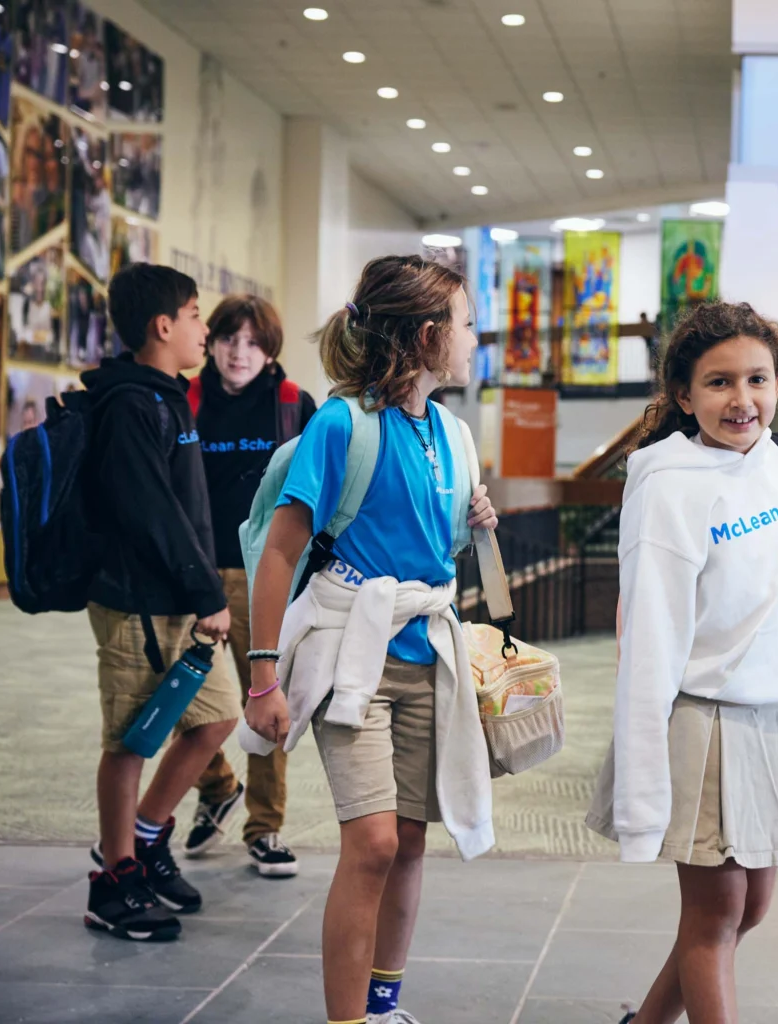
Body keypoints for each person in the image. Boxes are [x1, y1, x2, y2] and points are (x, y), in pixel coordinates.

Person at [586, 301, 778, 1024]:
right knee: (715, 916)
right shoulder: (665, 484)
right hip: (704, 720)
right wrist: (642, 768)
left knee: (749, 910)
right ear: (683, 396)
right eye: (718, 383)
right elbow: (649, 636)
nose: (741, 400)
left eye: (756, 379)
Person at [242, 255, 498, 1024]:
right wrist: (261, 679)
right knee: (376, 844)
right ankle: (347, 1018)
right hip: (353, 655)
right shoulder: (339, 424)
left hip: (428, 654)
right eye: (463, 325)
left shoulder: (450, 431)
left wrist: (471, 524)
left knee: (413, 841)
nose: (471, 339)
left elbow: (430, 548)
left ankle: (383, 1004)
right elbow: (281, 550)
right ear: (426, 336)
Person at [80, 263, 237, 942]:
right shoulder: (128, 406)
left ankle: (145, 837)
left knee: (216, 718)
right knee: (130, 740)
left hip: (181, 598)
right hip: (138, 606)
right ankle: (113, 882)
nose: (206, 329)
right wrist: (206, 590)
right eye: (197, 314)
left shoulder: (168, 397)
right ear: (163, 326)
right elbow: (151, 514)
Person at [184, 294, 317, 876]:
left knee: (264, 701)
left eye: (253, 342)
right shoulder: (183, 402)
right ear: (209, 342)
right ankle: (216, 786)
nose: (240, 352)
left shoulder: (293, 407)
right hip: (194, 574)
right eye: (229, 339)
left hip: (267, 576)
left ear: (270, 350)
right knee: (182, 701)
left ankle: (265, 827)